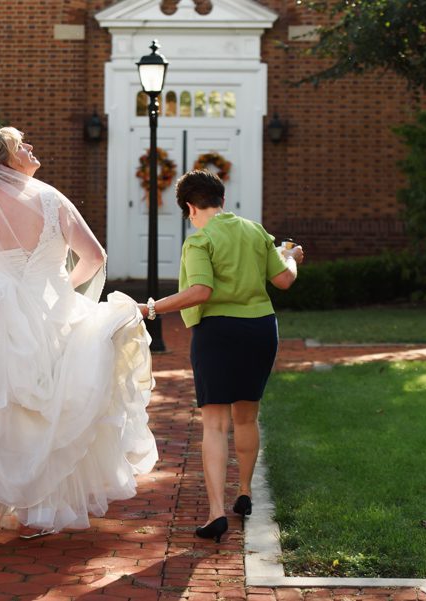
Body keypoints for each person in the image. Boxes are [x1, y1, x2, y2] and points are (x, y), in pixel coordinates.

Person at [0, 127, 158, 537]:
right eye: (22, 146)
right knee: (55, 405)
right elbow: (94, 257)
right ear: (5, 163)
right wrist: (62, 290)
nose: (31, 147)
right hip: (55, 309)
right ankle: (43, 507)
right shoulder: (51, 200)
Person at [137, 169, 303, 542]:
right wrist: (290, 256)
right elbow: (284, 280)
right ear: (222, 201)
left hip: (218, 333)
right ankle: (244, 492)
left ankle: (215, 513)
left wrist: (151, 308)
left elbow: (200, 291)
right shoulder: (254, 231)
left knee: (215, 424)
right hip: (260, 329)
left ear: (190, 208)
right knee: (247, 416)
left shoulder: (200, 241)